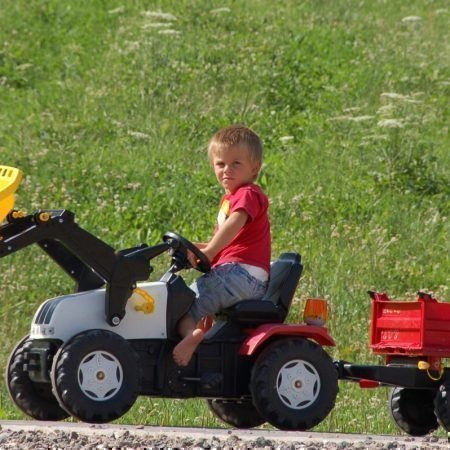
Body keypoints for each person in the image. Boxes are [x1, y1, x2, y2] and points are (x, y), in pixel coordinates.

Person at [173, 124, 271, 366]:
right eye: (220, 164)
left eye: (236, 163)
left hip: (241, 275)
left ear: (255, 167)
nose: (227, 170)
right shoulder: (229, 199)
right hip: (238, 273)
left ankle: (191, 336)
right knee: (181, 299)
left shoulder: (248, 194)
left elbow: (233, 226)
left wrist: (209, 251)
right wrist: (198, 247)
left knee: (183, 308)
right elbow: (231, 240)